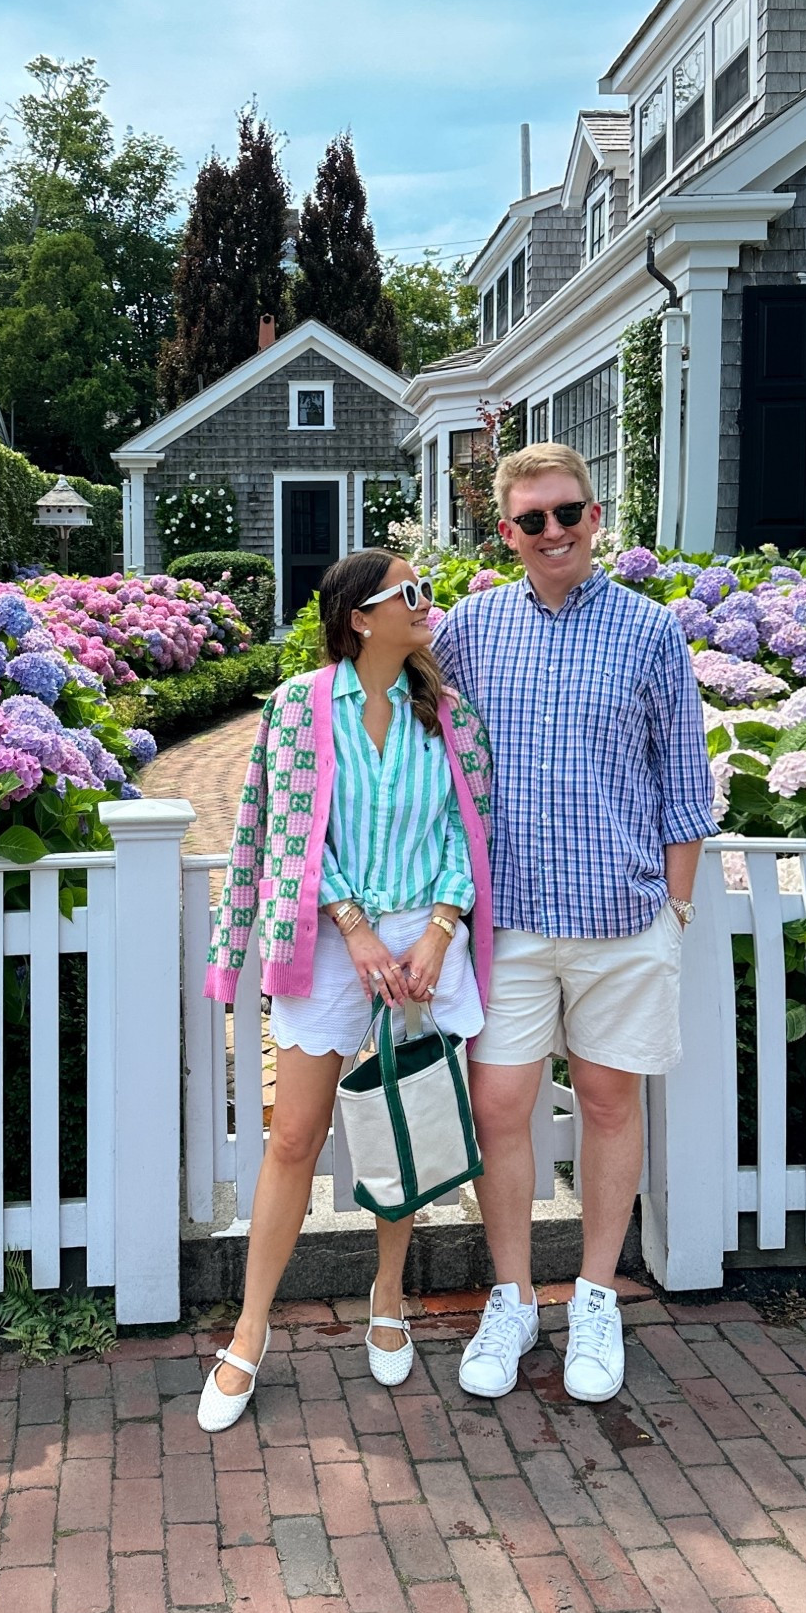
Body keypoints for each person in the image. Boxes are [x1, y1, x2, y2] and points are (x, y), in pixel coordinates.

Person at [431, 443, 715, 1403]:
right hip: (507, 923)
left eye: (569, 512)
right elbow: (433, 755)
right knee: (501, 1109)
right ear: (506, 532)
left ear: (596, 516)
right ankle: (511, 1298)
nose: (554, 531)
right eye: (532, 519)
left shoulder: (650, 632)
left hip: (621, 916)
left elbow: (684, 782)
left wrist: (672, 909)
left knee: (606, 1103)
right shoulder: (471, 628)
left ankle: (596, 1295)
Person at [197, 549, 493, 1433]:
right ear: (362, 617)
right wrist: (357, 929)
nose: (428, 603)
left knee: (404, 1114)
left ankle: (390, 1291)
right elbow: (289, 831)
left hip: (427, 934)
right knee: (295, 1134)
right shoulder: (299, 707)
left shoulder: (444, 712)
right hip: (331, 936)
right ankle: (249, 1332)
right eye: (413, 593)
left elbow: (464, 827)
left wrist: (441, 929)